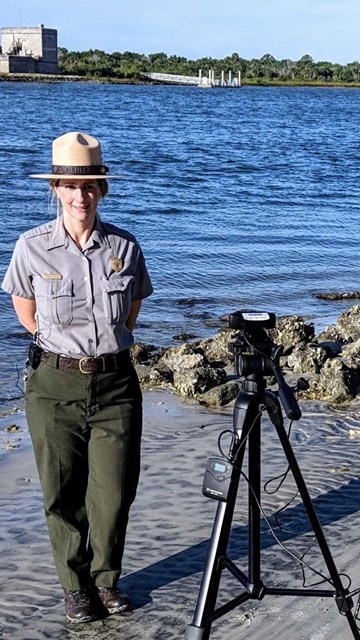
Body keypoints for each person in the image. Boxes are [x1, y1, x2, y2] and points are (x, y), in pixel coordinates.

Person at [1, 132, 153, 623]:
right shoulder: (31, 247)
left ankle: (106, 580)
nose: (80, 195)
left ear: (102, 190)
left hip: (116, 386)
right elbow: (28, 317)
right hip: (54, 385)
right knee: (61, 492)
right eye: (71, 185)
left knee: (113, 492)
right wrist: (71, 351)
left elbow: (127, 317)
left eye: (90, 186)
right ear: (57, 190)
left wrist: (98, 351)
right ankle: (75, 586)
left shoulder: (125, 248)